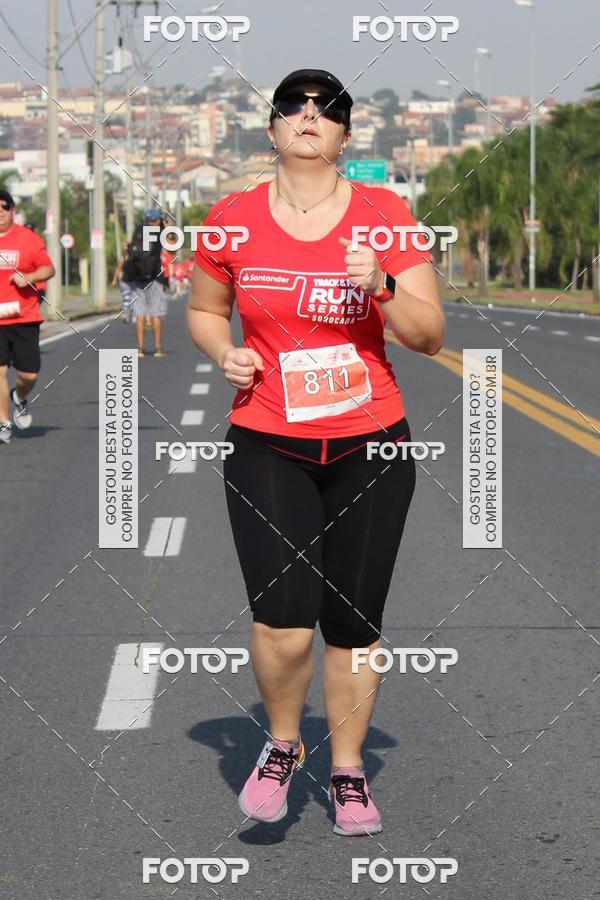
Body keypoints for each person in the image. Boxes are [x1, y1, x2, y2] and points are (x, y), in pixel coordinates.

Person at [187, 69, 444, 835]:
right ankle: (285, 743)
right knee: (283, 618)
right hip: (268, 438)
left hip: (373, 444)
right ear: (271, 130)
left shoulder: (386, 214)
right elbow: (206, 309)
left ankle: (349, 769)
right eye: (293, 107)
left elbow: (430, 337)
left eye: (326, 108)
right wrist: (221, 354)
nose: (309, 116)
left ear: (345, 134)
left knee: (353, 623)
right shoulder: (230, 218)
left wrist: (384, 283)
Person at [0, 190, 55, 444]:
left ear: (12, 211)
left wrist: (29, 278)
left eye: (5, 206)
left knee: (29, 375)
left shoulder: (28, 239)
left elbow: (48, 268)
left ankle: (19, 398)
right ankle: (3, 422)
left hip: (24, 317)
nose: (0, 211)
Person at [121, 208, 168, 357]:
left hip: (138, 278)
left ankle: (140, 348)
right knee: (156, 313)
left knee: (140, 314)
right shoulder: (160, 233)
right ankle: (158, 348)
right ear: (157, 220)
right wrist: (166, 227)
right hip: (155, 278)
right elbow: (171, 245)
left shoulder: (138, 231)